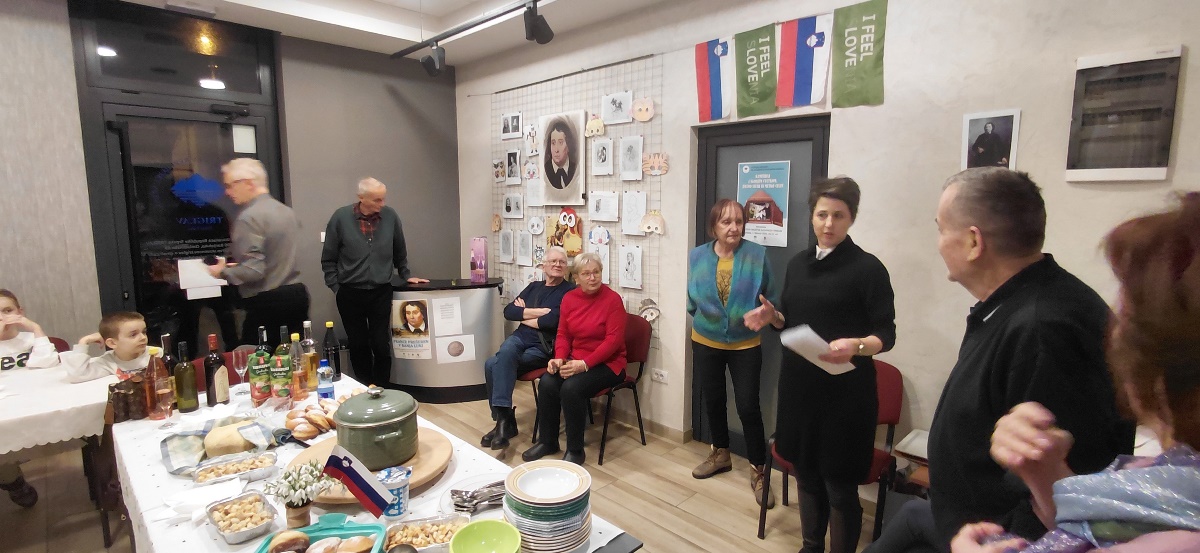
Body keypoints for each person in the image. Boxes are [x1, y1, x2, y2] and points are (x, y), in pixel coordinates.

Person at [872, 168, 1134, 553]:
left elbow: (1070, 486)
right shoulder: (1017, 303)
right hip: (958, 521)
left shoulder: (1044, 329)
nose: (939, 243)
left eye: (941, 229)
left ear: (973, 242)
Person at [951, 192, 1200, 553]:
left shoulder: (1043, 325)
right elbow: (1112, 529)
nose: (1114, 331)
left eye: (1128, 314)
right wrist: (1046, 473)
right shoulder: (1172, 484)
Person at [745, 177, 897, 553]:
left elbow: (886, 334)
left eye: (838, 216)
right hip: (800, 389)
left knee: (839, 487)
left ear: (851, 218)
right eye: (822, 214)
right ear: (812, 216)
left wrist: (856, 345)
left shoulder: (868, 269)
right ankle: (811, 547)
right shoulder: (799, 263)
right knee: (806, 475)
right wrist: (773, 317)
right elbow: (791, 319)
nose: (829, 224)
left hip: (846, 396)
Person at [687, 199, 779, 508]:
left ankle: (759, 470)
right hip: (705, 340)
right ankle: (721, 454)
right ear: (713, 226)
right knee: (713, 399)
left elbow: (772, 299)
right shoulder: (697, 256)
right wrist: (708, 320)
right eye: (726, 222)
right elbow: (691, 299)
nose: (734, 227)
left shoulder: (757, 255)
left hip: (745, 344)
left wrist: (767, 314)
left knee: (748, 406)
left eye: (739, 221)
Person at [322, 177, 427, 388]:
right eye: (377, 200)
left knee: (380, 344)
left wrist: (406, 274)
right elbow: (328, 257)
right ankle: (364, 388)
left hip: (381, 291)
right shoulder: (341, 218)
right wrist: (335, 287)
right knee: (358, 344)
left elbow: (399, 250)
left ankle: (382, 389)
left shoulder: (390, 217)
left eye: (383, 199)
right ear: (361, 198)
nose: (382, 204)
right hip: (349, 292)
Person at [522, 252, 626, 465]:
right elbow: (563, 334)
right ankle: (548, 441)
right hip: (576, 359)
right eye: (586, 274)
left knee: (571, 388)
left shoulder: (612, 300)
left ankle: (575, 450)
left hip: (610, 364)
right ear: (576, 277)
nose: (592, 278)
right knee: (548, 382)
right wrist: (559, 358)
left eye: (596, 272)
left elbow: (613, 342)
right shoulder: (569, 298)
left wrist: (585, 364)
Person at [481, 246, 575, 450]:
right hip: (520, 339)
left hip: (543, 346)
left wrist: (525, 313)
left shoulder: (569, 291)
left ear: (567, 268)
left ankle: (504, 423)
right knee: (502, 355)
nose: (558, 265)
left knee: (492, 364)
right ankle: (504, 421)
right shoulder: (534, 286)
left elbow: (554, 321)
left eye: (562, 262)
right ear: (544, 266)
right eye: (553, 261)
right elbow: (509, 311)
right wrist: (539, 312)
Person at [208, 158, 309, 348]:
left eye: (229, 185)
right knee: (294, 358)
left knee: (257, 360)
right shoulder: (286, 212)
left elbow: (254, 271)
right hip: (296, 296)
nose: (227, 192)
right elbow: (277, 256)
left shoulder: (248, 217)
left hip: (267, 304)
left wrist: (222, 271)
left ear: (248, 183)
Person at [0, 289, 58, 508]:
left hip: (34, 402)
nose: (2, 318)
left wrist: (36, 329)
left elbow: (49, 363)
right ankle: (13, 482)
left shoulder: (30, 340)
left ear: (20, 312)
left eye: (7, 311)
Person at [60, 311, 152, 383]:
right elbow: (77, 375)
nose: (143, 337)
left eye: (144, 332)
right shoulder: (109, 362)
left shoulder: (155, 354)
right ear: (112, 343)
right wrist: (84, 341)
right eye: (133, 335)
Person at [543, 117, 578, 190]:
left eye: (560, 142)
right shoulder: (545, 170)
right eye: (553, 143)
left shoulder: (575, 168)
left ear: (568, 145)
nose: (556, 150)